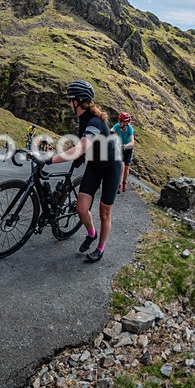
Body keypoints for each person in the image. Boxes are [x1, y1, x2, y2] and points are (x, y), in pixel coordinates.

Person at [37, 80, 122, 263]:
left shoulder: (95, 121)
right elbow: (86, 144)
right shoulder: (83, 118)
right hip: (94, 166)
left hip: (111, 168)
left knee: (104, 212)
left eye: (70, 100)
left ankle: (100, 248)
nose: (69, 104)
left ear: (77, 102)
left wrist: (50, 160)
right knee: (81, 208)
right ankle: (91, 234)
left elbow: (80, 147)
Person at [111, 112, 135, 193]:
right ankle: (119, 184)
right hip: (120, 149)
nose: (119, 122)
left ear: (126, 123)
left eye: (121, 121)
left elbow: (132, 142)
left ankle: (124, 181)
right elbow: (111, 131)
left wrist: (125, 146)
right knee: (122, 166)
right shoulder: (117, 126)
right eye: (119, 120)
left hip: (128, 149)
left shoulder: (130, 129)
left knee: (127, 167)